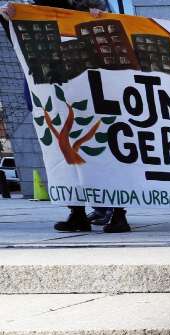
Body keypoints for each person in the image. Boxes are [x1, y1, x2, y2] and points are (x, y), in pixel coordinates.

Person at [2, 0, 130, 232]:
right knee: (65, 153)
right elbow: (23, 44)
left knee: (105, 152)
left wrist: (100, 16)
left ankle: (116, 212)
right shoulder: (35, 12)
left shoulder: (88, 9)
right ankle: (78, 212)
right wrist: (9, 19)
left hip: (89, 88)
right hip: (53, 88)